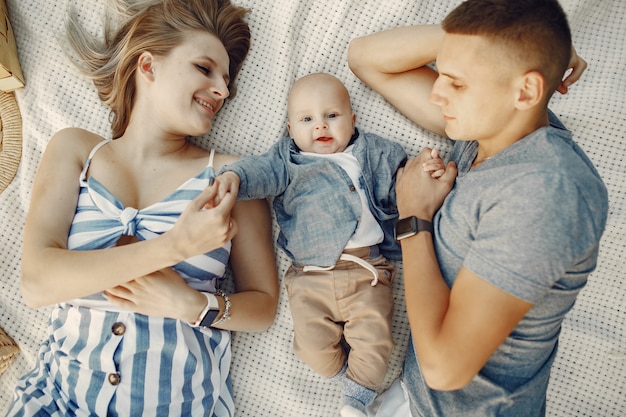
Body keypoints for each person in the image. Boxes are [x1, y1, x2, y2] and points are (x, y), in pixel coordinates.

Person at [6, 1, 278, 416]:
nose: (223, 90)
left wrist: (192, 306)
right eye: (205, 69)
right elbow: (37, 284)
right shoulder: (77, 150)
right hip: (57, 402)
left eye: (227, 81)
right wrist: (174, 246)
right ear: (148, 65)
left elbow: (262, 307)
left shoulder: (231, 177)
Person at [348, 0, 608, 416]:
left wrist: (414, 218)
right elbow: (366, 58)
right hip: (416, 399)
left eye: (456, 81)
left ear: (525, 91)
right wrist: (516, 45)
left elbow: (444, 369)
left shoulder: (546, 193)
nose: (437, 90)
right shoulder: (488, 131)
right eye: (441, 71)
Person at [214, 72, 444, 417]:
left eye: (332, 116)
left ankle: (357, 401)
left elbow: (404, 181)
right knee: (313, 349)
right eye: (307, 119)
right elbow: (258, 171)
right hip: (310, 277)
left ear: (353, 121)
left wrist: (426, 168)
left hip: (367, 272)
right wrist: (235, 176)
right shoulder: (287, 162)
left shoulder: (373, 153)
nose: (320, 126)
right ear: (290, 130)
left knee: (377, 340)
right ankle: (346, 376)